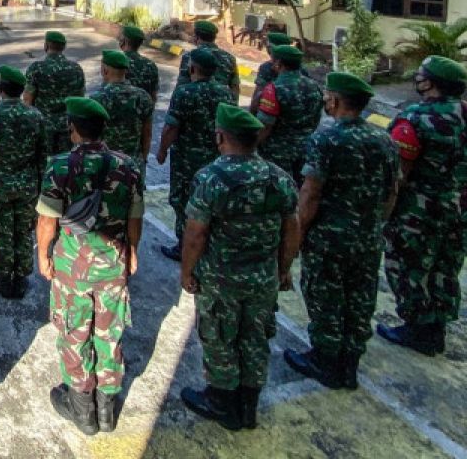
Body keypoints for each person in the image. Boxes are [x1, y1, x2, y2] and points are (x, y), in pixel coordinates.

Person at [180, 103, 300, 431]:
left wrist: (187, 271)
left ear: (221, 136)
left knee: (220, 335)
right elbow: (292, 229)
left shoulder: (211, 178)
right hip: (263, 276)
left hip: (222, 277)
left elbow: (196, 234)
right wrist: (284, 268)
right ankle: (249, 405)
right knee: (255, 336)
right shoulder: (280, 178)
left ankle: (222, 402)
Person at [285, 72, 399, 390]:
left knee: (326, 297)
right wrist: (374, 224)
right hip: (367, 237)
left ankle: (325, 360)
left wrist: (298, 234)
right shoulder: (385, 140)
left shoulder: (326, 140)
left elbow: (310, 194)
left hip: (329, 238)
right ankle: (349, 361)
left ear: (335, 101)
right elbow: (392, 192)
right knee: (360, 297)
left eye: (327, 96)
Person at [37, 97, 142, 435]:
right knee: (110, 335)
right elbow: (135, 217)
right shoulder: (128, 166)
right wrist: (133, 251)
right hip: (113, 265)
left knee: (75, 332)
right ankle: (108, 410)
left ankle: (83, 411)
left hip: (74, 267)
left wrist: (43, 256)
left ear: (73, 130)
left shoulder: (61, 166)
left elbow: (47, 221)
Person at [378, 55, 467, 356]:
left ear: (430, 83)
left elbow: (397, 176)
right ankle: (436, 326)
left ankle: (418, 329)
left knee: (407, 267)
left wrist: (383, 216)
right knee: (445, 267)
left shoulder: (415, 118)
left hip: (417, 212)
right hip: (458, 210)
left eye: (422, 74)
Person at [156, 49, 236, 260]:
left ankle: (184, 245)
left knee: (183, 200)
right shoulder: (225, 93)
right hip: (216, 156)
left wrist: (162, 150)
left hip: (187, 159)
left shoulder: (185, 92)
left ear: (192, 68)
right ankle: (209, 242)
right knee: (211, 198)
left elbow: (171, 128)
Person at [0, 65, 50, 300]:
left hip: (1, 186)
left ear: (1, 89)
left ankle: (4, 277)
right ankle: (21, 278)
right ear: (21, 90)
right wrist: (40, 186)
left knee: (3, 232)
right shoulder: (36, 116)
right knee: (23, 231)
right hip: (28, 185)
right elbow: (42, 157)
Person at [255, 44, 323, 184]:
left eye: (273, 61)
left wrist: (253, 145)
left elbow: (265, 126)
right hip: (305, 149)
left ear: (279, 64)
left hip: (277, 152)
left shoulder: (273, 89)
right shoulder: (314, 86)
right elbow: (317, 118)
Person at [90, 50, 153, 178]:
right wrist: (143, 160)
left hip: (105, 165)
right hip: (134, 165)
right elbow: (147, 134)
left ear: (104, 70)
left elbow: (90, 138)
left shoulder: (97, 99)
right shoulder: (143, 97)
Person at [24, 31, 86, 153]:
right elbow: (80, 100)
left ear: (46, 46)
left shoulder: (36, 68)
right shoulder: (75, 69)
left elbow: (27, 100)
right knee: (66, 162)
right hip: (68, 127)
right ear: (63, 47)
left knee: (45, 163)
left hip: (43, 126)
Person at [249, 32, 309, 115]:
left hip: (272, 116)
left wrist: (251, 116)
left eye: (268, 44)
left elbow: (258, 95)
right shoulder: (301, 69)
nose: (267, 46)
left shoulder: (266, 67)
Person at [178, 21, 240, 98]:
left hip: (195, 103)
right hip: (221, 105)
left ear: (197, 37)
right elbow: (235, 87)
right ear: (214, 38)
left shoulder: (190, 56)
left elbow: (182, 84)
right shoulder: (230, 58)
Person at [119, 25, 159, 104]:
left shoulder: (117, 61)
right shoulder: (150, 65)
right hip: (143, 111)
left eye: (121, 37)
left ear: (125, 41)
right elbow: (153, 96)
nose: (119, 39)